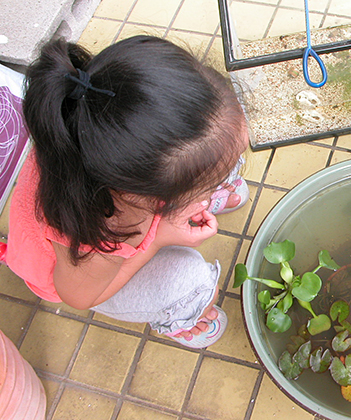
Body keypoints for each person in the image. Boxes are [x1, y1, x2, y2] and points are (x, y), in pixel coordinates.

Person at [1, 35, 251, 348]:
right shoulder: (106, 226)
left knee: (220, 150)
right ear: (144, 196)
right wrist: (159, 238)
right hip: (82, 275)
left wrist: (204, 185)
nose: (224, 176)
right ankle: (178, 316)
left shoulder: (100, 126)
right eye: (206, 185)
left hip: (139, 198)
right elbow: (79, 296)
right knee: (191, 281)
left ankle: (206, 180)